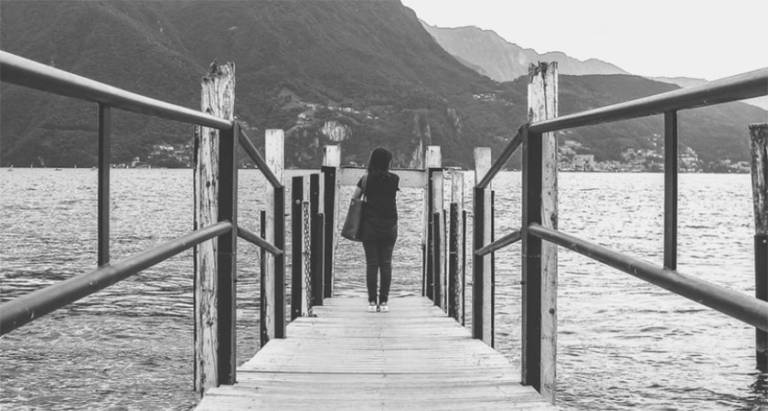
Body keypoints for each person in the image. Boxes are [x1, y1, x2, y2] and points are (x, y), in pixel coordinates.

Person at [352, 147, 399, 313]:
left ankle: (372, 302)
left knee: (372, 264)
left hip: (370, 226)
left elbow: (355, 197)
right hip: (390, 226)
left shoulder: (365, 179)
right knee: (386, 264)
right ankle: (384, 302)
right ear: (387, 162)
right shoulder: (395, 179)